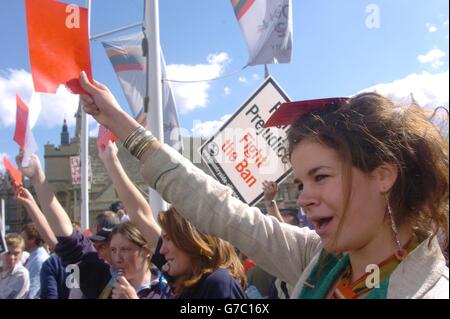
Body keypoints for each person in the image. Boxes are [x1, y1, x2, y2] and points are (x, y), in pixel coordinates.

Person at [80, 72, 448, 298]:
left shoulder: (430, 290)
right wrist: (118, 122)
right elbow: (221, 209)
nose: (304, 198)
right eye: (301, 182)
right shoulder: (316, 260)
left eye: (320, 177)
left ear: (383, 176)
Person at [97, 140, 246, 299]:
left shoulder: (219, 284)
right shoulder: (185, 279)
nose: (161, 249)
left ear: (190, 239)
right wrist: (110, 161)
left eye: (168, 239)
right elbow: (140, 214)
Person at [21, 223, 50, 298]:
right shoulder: (32, 257)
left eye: (23, 238)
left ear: (32, 239)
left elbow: (32, 291)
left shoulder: (39, 260)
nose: (20, 242)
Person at [0, 233, 30, 299]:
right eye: (8, 253)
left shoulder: (21, 274)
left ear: (22, 254)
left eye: (16, 253)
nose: (12, 257)